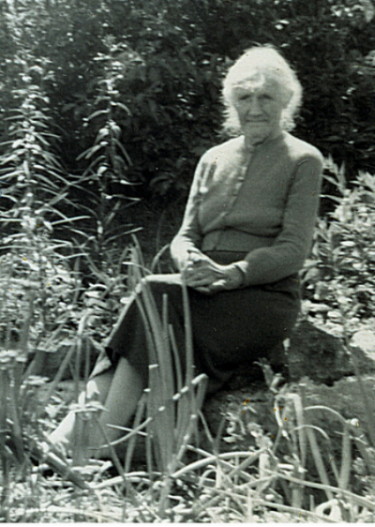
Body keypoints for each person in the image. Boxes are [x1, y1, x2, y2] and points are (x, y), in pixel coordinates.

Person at [50, 45, 323, 458]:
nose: (254, 108)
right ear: (232, 102)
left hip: (261, 299)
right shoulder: (214, 158)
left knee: (153, 292)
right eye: (244, 98)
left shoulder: (304, 160)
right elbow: (184, 235)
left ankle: (89, 440)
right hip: (199, 289)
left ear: (286, 100)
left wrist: (233, 274)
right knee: (154, 300)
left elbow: (292, 250)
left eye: (265, 97)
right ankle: (73, 437)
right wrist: (191, 262)